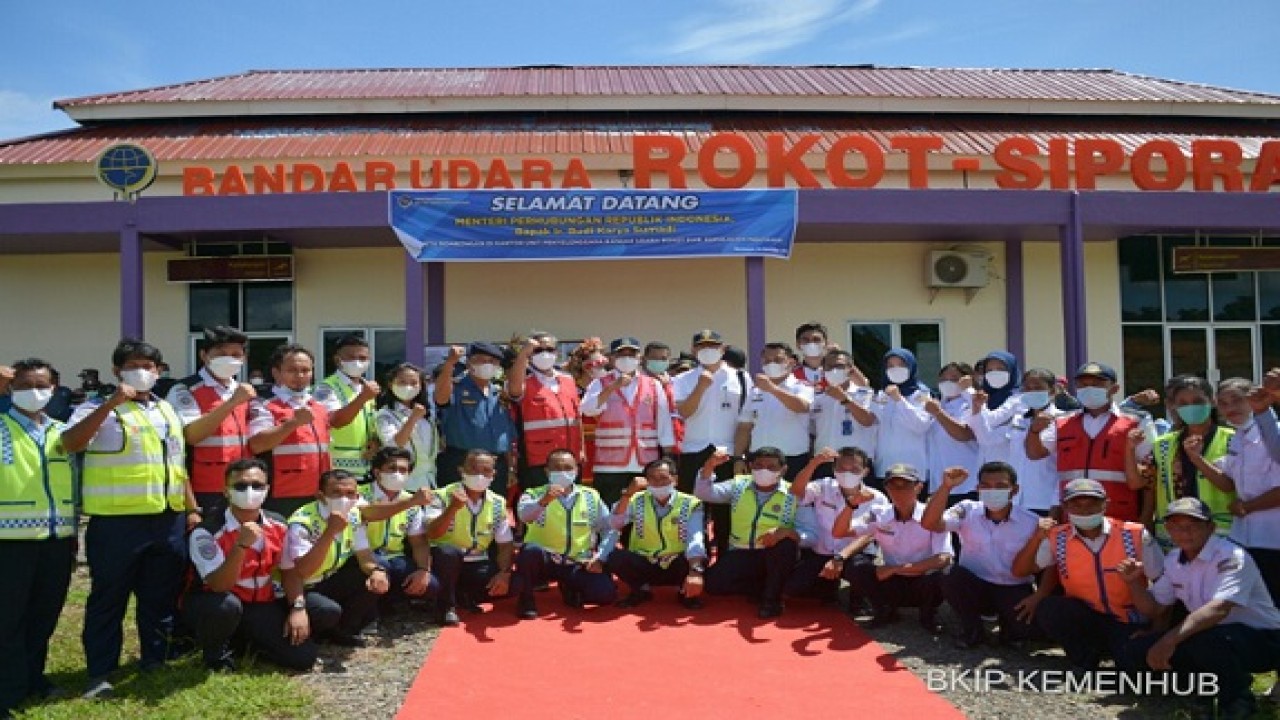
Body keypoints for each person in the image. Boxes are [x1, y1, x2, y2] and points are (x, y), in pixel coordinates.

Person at [62, 339, 198, 698]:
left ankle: (155, 659)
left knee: (159, 597)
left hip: (166, 519)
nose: (143, 372)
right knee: (109, 599)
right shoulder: (95, 408)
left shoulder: (167, 410)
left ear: (159, 371)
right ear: (116, 371)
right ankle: (100, 672)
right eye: (134, 365)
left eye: (150, 366)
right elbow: (71, 443)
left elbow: (176, 466)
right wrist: (110, 403)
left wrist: (191, 509)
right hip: (116, 524)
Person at [1118, 498, 1280, 720]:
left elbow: (1219, 609)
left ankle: (1238, 701)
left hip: (1262, 640)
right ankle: (1201, 691)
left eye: (1192, 525)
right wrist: (1134, 583)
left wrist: (1168, 640)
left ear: (1211, 528)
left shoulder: (1232, 557)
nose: (1184, 533)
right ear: (1168, 530)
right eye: (1176, 526)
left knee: (1205, 639)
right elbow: (1154, 609)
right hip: (1211, 637)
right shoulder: (1174, 559)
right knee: (1137, 648)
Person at [1010, 479, 1164, 672]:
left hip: (1128, 619)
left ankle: (1117, 652)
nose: (1085, 510)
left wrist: (1157, 630)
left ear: (1105, 504)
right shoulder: (1058, 536)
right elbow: (1021, 570)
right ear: (1065, 507)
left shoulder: (1134, 534)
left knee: (1135, 668)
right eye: (1076, 504)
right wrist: (1036, 537)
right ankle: (1085, 658)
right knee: (1051, 608)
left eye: (1092, 503)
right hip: (1087, 616)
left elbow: (1162, 583)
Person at [183, 458, 318, 672]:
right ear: (226, 491)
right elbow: (219, 585)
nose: (249, 491)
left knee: (303, 658)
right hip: (215, 603)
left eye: (257, 485)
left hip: (259, 604)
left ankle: (245, 642)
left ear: (267, 489)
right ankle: (215, 657)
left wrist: (297, 608)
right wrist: (241, 546)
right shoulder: (206, 532)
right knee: (226, 607)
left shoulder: (279, 524)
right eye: (240, 486)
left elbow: (289, 571)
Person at [0, 359, 77, 717]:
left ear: (55, 389)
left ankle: (34, 678)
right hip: (9, 541)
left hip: (57, 539)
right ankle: (8, 688)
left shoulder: (62, 431)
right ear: (9, 390)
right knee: (8, 618)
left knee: (44, 614)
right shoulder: (0, 428)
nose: (34, 391)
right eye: (24, 385)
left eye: (41, 384)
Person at [923, 462, 1039, 648]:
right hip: (976, 586)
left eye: (1000, 486)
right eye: (986, 486)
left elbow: (1048, 565)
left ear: (1014, 490)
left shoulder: (1032, 522)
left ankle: (1009, 627)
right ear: (978, 489)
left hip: (1012, 589)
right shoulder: (967, 510)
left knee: (1026, 634)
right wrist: (946, 487)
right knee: (949, 573)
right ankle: (972, 630)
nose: (992, 491)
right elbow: (930, 524)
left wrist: (1039, 595)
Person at [1185, 377, 1280, 602]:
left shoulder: (1273, 435)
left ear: (1255, 400)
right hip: (1245, 538)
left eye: (1237, 400)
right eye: (1224, 403)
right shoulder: (1238, 436)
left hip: (1272, 538)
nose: (1230, 408)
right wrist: (1197, 459)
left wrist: (1247, 506)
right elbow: (1228, 483)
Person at [837, 463, 953, 632]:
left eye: (906, 485)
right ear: (886, 489)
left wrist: (896, 568)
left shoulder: (932, 516)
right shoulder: (879, 513)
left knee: (945, 574)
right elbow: (840, 532)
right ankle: (884, 609)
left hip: (922, 580)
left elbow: (944, 558)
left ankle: (928, 613)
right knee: (854, 565)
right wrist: (851, 505)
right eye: (893, 486)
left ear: (918, 487)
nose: (899, 491)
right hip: (891, 582)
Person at [280, 469, 387, 647]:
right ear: (321, 496)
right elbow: (302, 571)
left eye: (350, 494)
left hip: (328, 578)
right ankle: (306, 634)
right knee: (328, 611)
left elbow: (364, 555)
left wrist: (377, 571)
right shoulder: (302, 522)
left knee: (376, 572)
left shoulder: (353, 515)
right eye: (336, 493)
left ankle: (342, 630)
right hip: (298, 588)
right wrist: (330, 531)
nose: (344, 499)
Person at [169, 325, 266, 520]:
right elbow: (191, 435)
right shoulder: (185, 389)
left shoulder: (245, 390)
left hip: (243, 485)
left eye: (236, 354)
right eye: (221, 354)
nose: (229, 359)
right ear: (204, 355)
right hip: (204, 487)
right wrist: (231, 403)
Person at [1028, 362, 1144, 522]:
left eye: (1097, 384)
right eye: (1083, 384)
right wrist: (1034, 431)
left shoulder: (1137, 421)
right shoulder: (1062, 422)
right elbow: (1035, 454)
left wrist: (1146, 518)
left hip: (1119, 515)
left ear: (1114, 389)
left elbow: (1147, 478)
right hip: (1073, 513)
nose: (1089, 388)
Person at [696, 447, 800, 619]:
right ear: (750, 466)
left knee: (786, 545)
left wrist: (786, 532)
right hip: (741, 551)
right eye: (758, 465)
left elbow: (810, 534)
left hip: (772, 552)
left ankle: (771, 601)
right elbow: (703, 493)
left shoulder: (794, 493)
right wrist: (709, 466)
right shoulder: (739, 484)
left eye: (771, 466)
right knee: (712, 585)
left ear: (783, 469)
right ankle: (762, 587)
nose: (764, 470)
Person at [513, 449, 617, 618]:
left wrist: (600, 557)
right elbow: (524, 516)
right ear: (547, 471)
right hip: (545, 561)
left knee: (605, 594)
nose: (563, 472)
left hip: (577, 562)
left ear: (576, 470)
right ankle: (526, 599)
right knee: (530, 551)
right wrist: (543, 501)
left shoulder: (590, 495)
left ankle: (571, 589)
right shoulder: (533, 493)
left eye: (568, 468)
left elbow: (609, 528)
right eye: (557, 468)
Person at [673, 329, 751, 555]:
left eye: (713, 346)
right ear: (693, 350)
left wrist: (739, 456)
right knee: (691, 507)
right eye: (702, 347)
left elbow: (744, 423)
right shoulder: (683, 379)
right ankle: (693, 557)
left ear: (722, 349)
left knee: (725, 510)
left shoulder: (741, 378)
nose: (707, 351)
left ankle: (725, 557)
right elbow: (685, 412)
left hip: (726, 450)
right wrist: (701, 386)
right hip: (692, 450)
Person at [1138, 374, 1236, 542]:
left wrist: (1197, 459)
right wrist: (1146, 525)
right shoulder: (1162, 444)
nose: (1191, 407)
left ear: (1212, 401)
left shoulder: (1232, 439)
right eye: (1183, 403)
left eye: (1198, 401)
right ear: (1174, 406)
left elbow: (1230, 486)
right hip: (1172, 532)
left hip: (1219, 532)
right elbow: (1151, 489)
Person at [787, 447, 887, 609]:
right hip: (822, 552)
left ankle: (859, 599)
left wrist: (840, 558)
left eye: (854, 469)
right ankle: (828, 589)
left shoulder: (877, 498)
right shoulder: (823, 486)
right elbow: (796, 493)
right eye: (842, 468)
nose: (847, 473)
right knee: (793, 589)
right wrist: (813, 464)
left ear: (865, 471)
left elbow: (869, 535)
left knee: (859, 569)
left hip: (854, 553)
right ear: (834, 470)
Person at [582, 337, 676, 507]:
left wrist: (667, 456)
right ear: (611, 358)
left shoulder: (653, 385)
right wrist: (612, 387)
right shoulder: (600, 383)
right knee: (611, 513)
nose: (627, 358)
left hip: (645, 462)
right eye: (621, 354)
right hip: (609, 465)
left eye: (631, 354)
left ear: (639, 357)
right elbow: (588, 409)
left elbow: (663, 422)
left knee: (641, 513)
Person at [604, 457, 708, 609]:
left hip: (676, 563)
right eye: (652, 479)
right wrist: (627, 495)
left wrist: (695, 572)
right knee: (616, 557)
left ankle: (685, 591)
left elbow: (696, 539)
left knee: (699, 557)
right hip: (646, 561)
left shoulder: (691, 503)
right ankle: (640, 590)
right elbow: (614, 523)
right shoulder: (635, 499)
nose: (658, 483)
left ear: (675, 480)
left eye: (663, 478)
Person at [427, 450, 515, 626]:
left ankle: (464, 595)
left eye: (486, 470)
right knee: (448, 553)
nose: (480, 475)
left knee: (515, 584)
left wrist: (504, 574)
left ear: (493, 474)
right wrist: (452, 508)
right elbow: (432, 532)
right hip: (445, 562)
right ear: (461, 470)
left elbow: (505, 545)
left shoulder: (498, 502)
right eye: (473, 469)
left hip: (477, 562)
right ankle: (446, 608)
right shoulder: (441, 495)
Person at [248, 344, 332, 518]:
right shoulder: (263, 403)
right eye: (292, 370)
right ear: (276, 373)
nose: (300, 376)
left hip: (317, 494)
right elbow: (257, 445)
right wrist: (293, 423)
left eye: (305, 370)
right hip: (281, 495)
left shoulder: (318, 406)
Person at [357, 447, 440, 615]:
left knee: (432, 586)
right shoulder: (359, 494)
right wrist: (411, 502)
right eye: (392, 468)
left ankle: (392, 602)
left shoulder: (410, 500)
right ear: (377, 472)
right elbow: (369, 513)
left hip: (395, 557)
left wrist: (423, 570)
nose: (398, 474)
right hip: (362, 557)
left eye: (403, 470)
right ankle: (368, 615)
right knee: (382, 566)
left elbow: (419, 542)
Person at [433, 343, 515, 493]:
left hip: (495, 463)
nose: (488, 365)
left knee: (492, 510)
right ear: (469, 362)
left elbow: (506, 433)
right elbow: (440, 398)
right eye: (482, 360)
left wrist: (510, 466)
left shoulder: (498, 392)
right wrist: (450, 363)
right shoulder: (456, 386)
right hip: (462, 461)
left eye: (492, 361)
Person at [507, 331, 584, 494]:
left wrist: (581, 450)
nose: (544, 354)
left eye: (549, 349)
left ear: (556, 352)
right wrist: (524, 354)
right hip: (538, 461)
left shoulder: (568, 380)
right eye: (538, 350)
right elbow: (514, 390)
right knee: (538, 507)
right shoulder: (524, 381)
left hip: (570, 459)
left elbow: (577, 418)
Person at [983, 368, 1064, 517]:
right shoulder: (1018, 419)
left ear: (1052, 391)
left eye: (1038, 388)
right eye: (1027, 388)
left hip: (1043, 500)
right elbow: (987, 437)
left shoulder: (1061, 420)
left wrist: (1056, 502)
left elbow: (1038, 454)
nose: (1032, 392)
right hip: (1015, 500)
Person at [844, 348, 932, 484]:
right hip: (884, 467)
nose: (895, 369)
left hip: (913, 468)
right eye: (890, 366)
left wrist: (899, 399)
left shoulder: (921, 395)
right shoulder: (882, 395)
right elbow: (869, 420)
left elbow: (920, 425)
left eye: (901, 365)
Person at [735, 342, 814, 481]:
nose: (771, 364)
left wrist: (772, 389)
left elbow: (801, 406)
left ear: (791, 362)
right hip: (759, 460)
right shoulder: (755, 391)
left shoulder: (801, 386)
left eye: (777, 360)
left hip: (792, 460)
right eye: (767, 360)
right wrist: (738, 458)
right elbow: (744, 427)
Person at [314, 335, 381, 476]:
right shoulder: (326, 387)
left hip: (365, 468)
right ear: (338, 360)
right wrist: (362, 398)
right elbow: (335, 421)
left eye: (362, 358)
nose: (357, 362)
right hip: (336, 469)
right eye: (351, 357)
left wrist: (375, 442)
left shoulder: (367, 388)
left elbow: (368, 424)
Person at [810, 349, 877, 476]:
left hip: (857, 462)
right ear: (823, 371)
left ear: (850, 370)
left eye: (839, 366)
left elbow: (868, 421)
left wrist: (844, 399)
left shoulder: (865, 394)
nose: (834, 370)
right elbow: (812, 431)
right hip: (825, 462)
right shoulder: (816, 397)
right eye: (829, 367)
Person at [374, 362, 437, 491]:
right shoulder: (385, 414)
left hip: (429, 481)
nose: (408, 387)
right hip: (403, 482)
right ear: (391, 384)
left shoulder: (427, 414)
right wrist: (413, 418)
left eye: (414, 383)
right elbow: (394, 445)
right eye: (402, 382)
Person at [923, 362, 980, 500]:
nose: (948, 383)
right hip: (940, 483)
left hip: (967, 483)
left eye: (954, 379)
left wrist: (938, 413)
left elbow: (964, 434)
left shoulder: (971, 404)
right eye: (943, 379)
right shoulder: (938, 404)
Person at [792, 322, 831, 388]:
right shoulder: (791, 376)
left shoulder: (836, 372)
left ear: (826, 343)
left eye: (816, 339)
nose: (811, 343)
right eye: (806, 340)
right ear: (798, 344)